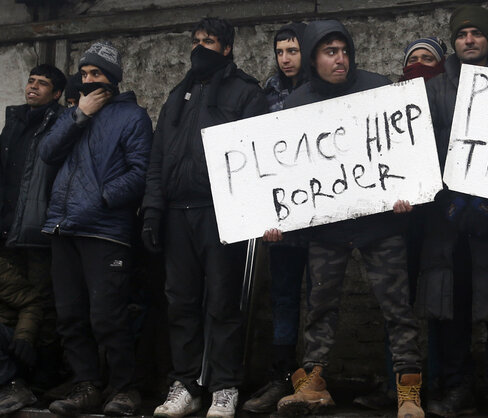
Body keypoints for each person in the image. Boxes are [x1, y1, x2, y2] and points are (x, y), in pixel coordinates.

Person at [266, 20, 424, 418]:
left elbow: (405, 147)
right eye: (329, 51)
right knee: (319, 305)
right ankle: (315, 382)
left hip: (380, 223)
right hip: (327, 225)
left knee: (397, 307)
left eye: (344, 51)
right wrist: (276, 217)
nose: (340, 59)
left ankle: (408, 390)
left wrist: (409, 193)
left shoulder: (378, 88)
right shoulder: (297, 104)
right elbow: (284, 173)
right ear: (313, 57)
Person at [142, 17, 268, 418]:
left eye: (209, 41)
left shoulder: (246, 93)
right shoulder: (177, 94)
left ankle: (224, 386)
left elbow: (258, 157)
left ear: (227, 48)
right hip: (178, 214)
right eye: (195, 41)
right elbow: (158, 159)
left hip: (222, 213)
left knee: (223, 302)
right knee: (179, 302)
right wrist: (153, 210)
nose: (200, 48)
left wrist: (250, 213)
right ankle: (186, 384)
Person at [417, 5, 488, 417]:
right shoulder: (434, 90)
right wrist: (448, 201)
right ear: (453, 42)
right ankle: (457, 387)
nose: (469, 41)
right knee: (451, 308)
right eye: (462, 35)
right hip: (446, 221)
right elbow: (419, 150)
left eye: (477, 33)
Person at [40, 41, 152, 416]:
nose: (87, 81)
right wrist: (79, 116)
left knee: (108, 316)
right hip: (63, 228)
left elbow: (141, 173)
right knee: (70, 315)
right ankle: (86, 384)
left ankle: (124, 389)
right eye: (84, 74)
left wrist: (102, 198)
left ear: (112, 79)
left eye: (96, 75)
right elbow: (47, 153)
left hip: (105, 231)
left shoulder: (133, 117)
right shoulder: (70, 113)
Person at [352, 35, 448, 412]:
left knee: (439, 300)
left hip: (442, 216)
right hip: (398, 217)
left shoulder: (449, 98)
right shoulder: (388, 102)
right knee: (396, 303)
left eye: (428, 58)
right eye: (414, 58)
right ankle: (396, 383)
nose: (420, 64)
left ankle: (436, 383)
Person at [242, 21, 309, 415]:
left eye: (293, 51)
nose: (285, 59)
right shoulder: (263, 95)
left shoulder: (326, 90)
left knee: (319, 302)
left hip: (322, 217)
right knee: (283, 298)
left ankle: (315, 376)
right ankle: (282, 374)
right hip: (280, 219)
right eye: (280, 51)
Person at [0, 63, 65, 415]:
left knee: (42, 305)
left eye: (43, 84)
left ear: (56, 94)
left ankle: (41, 381)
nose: (33, 88)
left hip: (39, 230)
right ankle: (13, 381)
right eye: (31, 81)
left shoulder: (57, 124)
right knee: (11, 307)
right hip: (8, 229)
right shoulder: (13, 124)